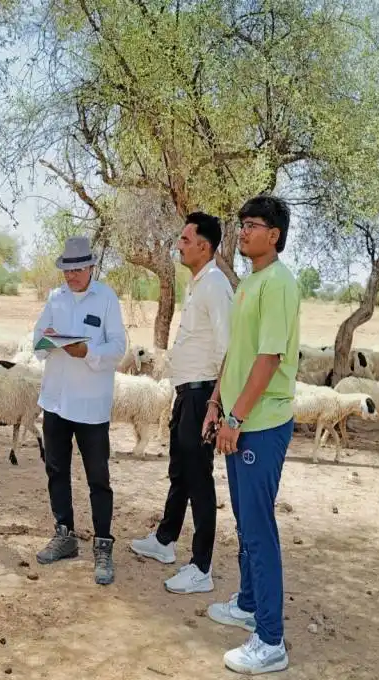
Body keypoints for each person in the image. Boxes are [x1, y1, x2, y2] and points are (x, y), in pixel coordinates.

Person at [202, 195, 300, 675]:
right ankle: (246, 603)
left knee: (259, 531)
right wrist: (216, 405)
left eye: (252, 225)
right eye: (241, 225)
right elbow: (238, 353)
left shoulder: (279, 283)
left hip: (260, 425)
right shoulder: (250, 282)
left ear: (274, 235)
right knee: (244, 523)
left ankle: (271, 640)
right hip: (237, 420)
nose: (242, 232)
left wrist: (237, 420)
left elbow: (269, 359)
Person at [130, 212, 232, 594]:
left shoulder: (215, 285)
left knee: (199, 478)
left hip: (202, 394)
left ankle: (202, 567)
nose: (178, 244)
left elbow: (228, 348)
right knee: (180, 470)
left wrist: (215, 403)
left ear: (204, 246)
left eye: (186, 240)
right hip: (186, 392)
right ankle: (165, 540)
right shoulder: (198, 284)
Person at [32, 235, 127, 585]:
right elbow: (37, 340)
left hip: (90, 406)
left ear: (90, 267)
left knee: (97, 477)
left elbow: (119, 346)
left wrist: (86, 352)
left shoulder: (106, 298)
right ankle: (64, 535)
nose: (70, 276)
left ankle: (103, 544)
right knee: (56, 469)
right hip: (55, 400)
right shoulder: (55, 298)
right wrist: (51, 341)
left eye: (77, 269)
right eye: (66, 269)